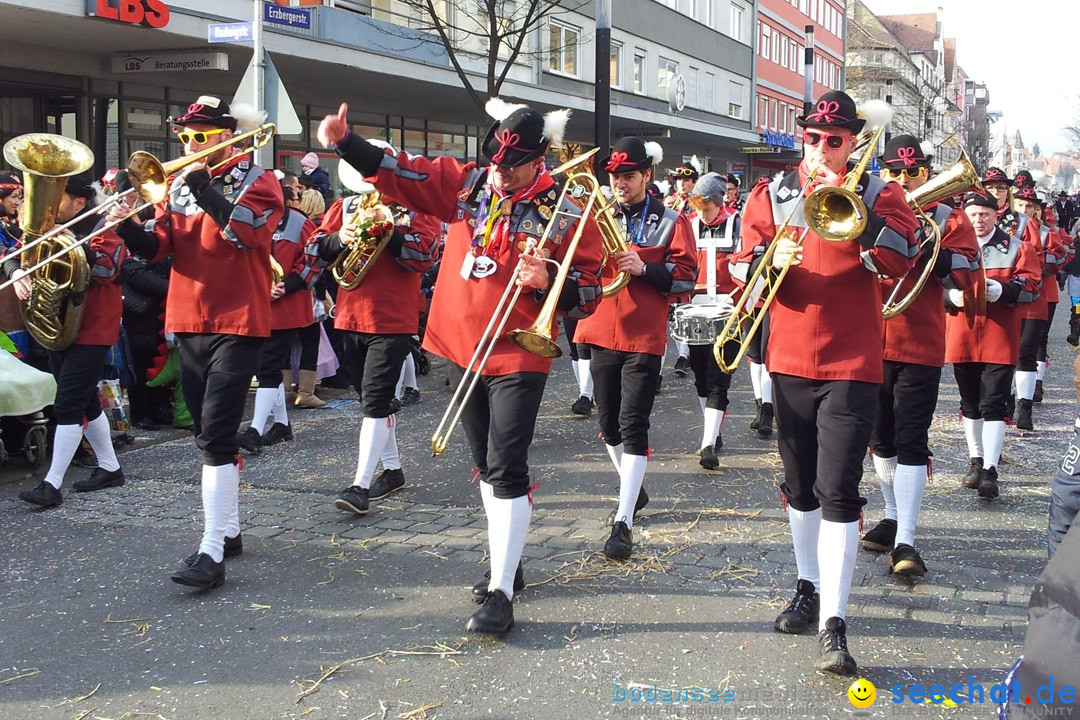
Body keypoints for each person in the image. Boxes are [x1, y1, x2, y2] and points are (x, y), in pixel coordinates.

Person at [318, 97, 603, 635]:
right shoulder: (468, 182)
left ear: (539, 158)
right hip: (459, 343)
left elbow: (591, 288)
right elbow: (401, 172)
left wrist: (553, 282)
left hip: (519, 348)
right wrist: (346, 142)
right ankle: (508, 562)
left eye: (512, 164)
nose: (501, 170)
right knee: (484, 464)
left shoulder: (566, 207)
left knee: (507, 464)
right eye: (496, 158)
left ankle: (499, 592)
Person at [733, 91, 919, 675]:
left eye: (834, 140)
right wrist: (766, 258)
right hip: (787, 356)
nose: (821, 148)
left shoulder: (881, 191)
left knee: (839, 488)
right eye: (813, 138)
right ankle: (807, 585)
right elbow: (745, 269)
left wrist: (857, 213)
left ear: (852, 143)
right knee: (800, 486)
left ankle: (835, 621)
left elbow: (901, 256)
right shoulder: (770, 195)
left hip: (852, 361)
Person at [111, 95, 285, 590]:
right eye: (185, 137)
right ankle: (228, 530)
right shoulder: (178, 190)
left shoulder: (260, 181)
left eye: (200, 137)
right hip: (189, 319)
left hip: (239, 320)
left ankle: (211, 551)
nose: (190, 145)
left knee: (216, 432)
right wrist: (126, 220)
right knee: (205, 432)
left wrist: (205, 189)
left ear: (227, 136)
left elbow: (247, 235)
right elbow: (155, 248)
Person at [860, 135, 980, 577]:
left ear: (927, 173)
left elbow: (968, 273)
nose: (904, 179)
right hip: (870, 336)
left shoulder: (949, 217)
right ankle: (892, 515)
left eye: (913, 172)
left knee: (911, 439)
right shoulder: (870, 210)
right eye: (894, 171)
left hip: (920, 342)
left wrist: (929, 248)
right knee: (880, 438)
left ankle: (907, 539)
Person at [574, 137, 697, 559]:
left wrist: (645, 269)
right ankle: (634, 489)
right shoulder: (598, 213)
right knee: (609, 426)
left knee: (633, 423)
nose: (620, 184)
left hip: (643, 335)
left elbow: (684, 280)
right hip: (598, 327)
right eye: (615, 177)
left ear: (647, 175)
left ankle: (622, 519)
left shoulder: (670, 220)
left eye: (628, 176)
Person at [4, 173, 127, 507]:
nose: (48, 206)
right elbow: (16, 253)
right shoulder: (45, 227)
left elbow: (108, 269)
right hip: (57, 326)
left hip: (92, 329)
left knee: (68, 405)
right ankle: (110, 467)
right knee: (85, 399)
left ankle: (52, 483)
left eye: (57, 198)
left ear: (79, 203)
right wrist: (17, 273)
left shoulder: (104, 228)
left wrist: (74, 242)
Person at [315, 182, 439, 514]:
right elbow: (315, 249)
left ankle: (360, 486)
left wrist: (390, 231)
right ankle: (393, 470)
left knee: (374, 402)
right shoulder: (347, 206)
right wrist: (343, 237)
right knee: (371, 401)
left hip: (392, 319)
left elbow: (426, 255)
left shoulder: (415, 207)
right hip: (350, 316)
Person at [945, 194, 1040, 499]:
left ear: (996, 215)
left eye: (984, 214)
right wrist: (949, 298)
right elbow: (932, 285)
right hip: (962, 334)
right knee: (970, 404)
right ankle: (975, 461)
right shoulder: (952, 248)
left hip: (999, 336)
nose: (978, 220)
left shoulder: (1016, 248)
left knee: (994, 405)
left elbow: (1032, 287)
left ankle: (990, 469)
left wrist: (1007, 290)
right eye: (972, 214)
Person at [236, 201, 322, 453]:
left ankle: (255, 429)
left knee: (268, 367)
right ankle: (282, 425)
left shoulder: (298, 222)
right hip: (255, 304)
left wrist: (288, 285)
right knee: (266, 368)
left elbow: (313, 262)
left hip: (285, 308)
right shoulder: (246, 217)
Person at [684, 172, 741, 469]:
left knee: (720, 378)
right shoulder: (689, 225)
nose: (701, 212)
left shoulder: (736, 224)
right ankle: (713, 429)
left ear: (719, 201)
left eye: (706, 205)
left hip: (728, 309)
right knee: (701, 375)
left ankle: (708, 444)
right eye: (697, 205)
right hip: (696, 309)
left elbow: (747, 264)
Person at [1012, 186, 1064, 430]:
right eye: (1020, 205)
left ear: (1036, 209)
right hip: (1007, 297)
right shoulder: (1002, 228)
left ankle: (1025, 406)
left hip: (1036, 295)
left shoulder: (1045, 231)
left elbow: (1059, 258)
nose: (1024, 210)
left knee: (1029, 349)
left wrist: (1035, 267)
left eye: (1029, 206)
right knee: (1006, 353)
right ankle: (1005, 399)